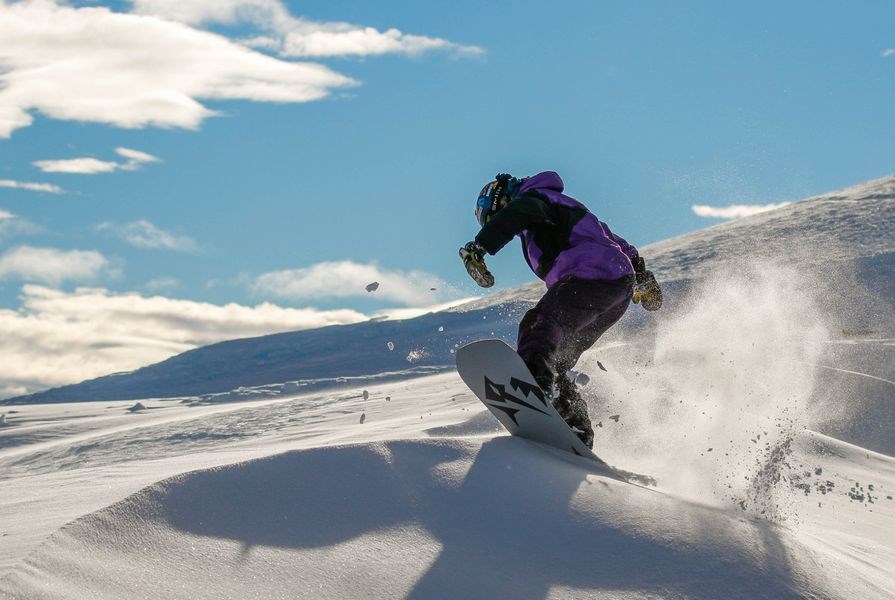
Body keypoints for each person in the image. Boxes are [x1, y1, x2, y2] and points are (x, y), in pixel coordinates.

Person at [459, 171, 662, 448]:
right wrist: (643, 278)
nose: (505, 225)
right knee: (558, 358)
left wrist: (480, 246)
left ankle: (535, 386)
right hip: (615, 291)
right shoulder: (563, 205)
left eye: (496, 219)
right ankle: (575, 428)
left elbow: (519, 213)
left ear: (502, 201)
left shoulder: (535, 199)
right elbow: (619, 243)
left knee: (538, 325)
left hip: (591, 278)